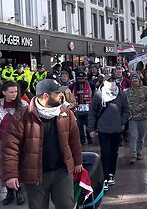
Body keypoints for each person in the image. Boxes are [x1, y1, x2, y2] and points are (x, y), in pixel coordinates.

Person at [2, 79, 83, 208]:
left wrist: (78, 162)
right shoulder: (22, 116)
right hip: (35, 175)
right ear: (46, 96)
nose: (62, 96)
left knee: (67, 205)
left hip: (62, 172)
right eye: (58, 93)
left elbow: (74, 139)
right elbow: (10, 148)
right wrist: (11, 175)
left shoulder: (66, 113)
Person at [88, 74, 131, 191]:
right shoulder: (98, 95)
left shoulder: (121, 94)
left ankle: (111, 173)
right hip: (103, 129)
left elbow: (126, 110)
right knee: (105, 152)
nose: (111, 82)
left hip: (117, 129)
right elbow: (92, 113)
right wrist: (91, 129)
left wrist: (122, 121)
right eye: (108, 80)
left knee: (114, 152)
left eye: (112, 80)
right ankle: (105, 177)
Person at [0, 81, 27, 206]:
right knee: (5, 167)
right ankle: (10, 193)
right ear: (4, 92)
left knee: (18, 166)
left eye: (16, 92)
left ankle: (19, 191)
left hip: (19, 142)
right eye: (11, 92)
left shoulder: (24, 105)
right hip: (2, 142)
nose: (14, 94)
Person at [125, 74, 147, 163]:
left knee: (141, 137)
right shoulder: (128, 91)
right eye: (132, 78)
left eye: (136, 78)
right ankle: (133, 154)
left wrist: (141, 107)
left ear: (139, 79)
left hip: (143, 116)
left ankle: (139, 152)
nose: (134, 80)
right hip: (132, 117)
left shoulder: (146, 89)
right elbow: (125, 103)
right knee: (133, 136)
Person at [70, 71, 93, 145]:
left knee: (88, 124)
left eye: (82, 78)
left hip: (88, 108)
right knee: (79, 125)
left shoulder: (90, 84)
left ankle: (89, 139)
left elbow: (94, 94)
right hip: (78, 108)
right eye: (79, 79)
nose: (81, 80)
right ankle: (82, 139)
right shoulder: (73, 86)